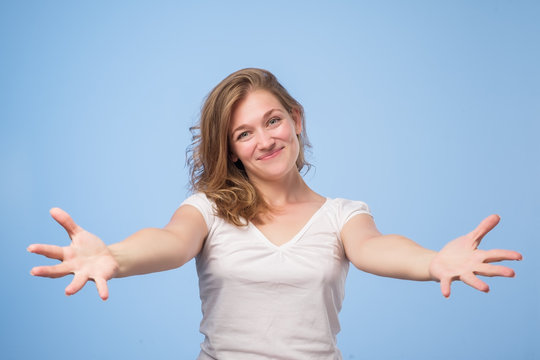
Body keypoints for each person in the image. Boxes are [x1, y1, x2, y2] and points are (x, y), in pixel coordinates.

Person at [28, 68, 522, 359]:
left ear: (296, 120)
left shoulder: (342, 214)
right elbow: (170, 241)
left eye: (273, 120)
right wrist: (113, 256)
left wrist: (433, 260)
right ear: (233, 150)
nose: (265, 140)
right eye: (244, 134)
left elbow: (375, 248)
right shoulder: (208, 210)